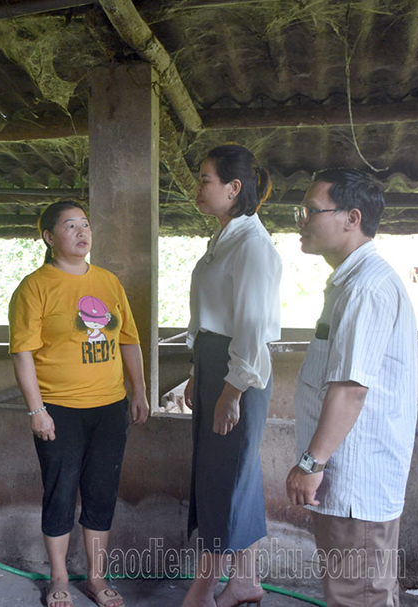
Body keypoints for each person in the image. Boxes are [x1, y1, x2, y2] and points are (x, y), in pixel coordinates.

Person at [286, 169, 418, 607]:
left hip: (354, 480)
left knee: (356, 594)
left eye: (310, 211)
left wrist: (310, 462)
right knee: (362, 590)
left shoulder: (366, 287)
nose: (301, 220)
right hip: (348, 478)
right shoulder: (351, 281)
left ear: (351, 218)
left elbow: (350, 389)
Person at [8, 201, 150, 607]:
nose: (81, 231)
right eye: (69, 226)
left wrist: (138, 391)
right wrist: (37, 410)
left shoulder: (109, 282)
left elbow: (129, 340)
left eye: (85, 224)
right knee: (60, 491)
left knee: (101, 491)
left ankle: (96, 577)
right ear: (50, 238)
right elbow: (22, 354)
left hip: (109, 407)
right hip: (59, 409)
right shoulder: (35, 286)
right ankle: (57, 577)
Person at [183, 145, 281, 607]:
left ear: (233, 187)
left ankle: (205, 586)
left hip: (236, 370)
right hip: (214, 363)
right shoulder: (224, 239)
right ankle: (245, 580)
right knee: (230, 471)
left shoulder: (253, 246)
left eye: (205, 179)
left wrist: (232, 389)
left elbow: (252, 328)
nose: (197, 188)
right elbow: (211, 317)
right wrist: (195, 371)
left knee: (225, 474)